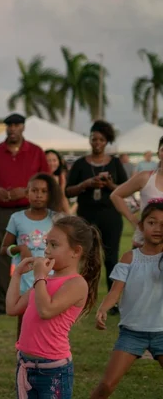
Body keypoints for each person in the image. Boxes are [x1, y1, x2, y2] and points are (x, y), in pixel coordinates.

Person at [3, 216, 102, 399]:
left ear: (76, 251)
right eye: (46, 243)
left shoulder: (76, 284)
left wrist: (39, 278)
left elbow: (46, 310)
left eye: (54, 244)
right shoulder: (42, 280)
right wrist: (17, 275)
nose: (46, 249)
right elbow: (12, 308)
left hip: (54, 372)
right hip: (26, 368)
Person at [73, 200, 163, 399]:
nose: (157, 228)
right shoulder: (129, 257)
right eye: (152, 222)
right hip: (132, 333)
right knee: (106, 385)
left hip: (161, 333)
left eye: (162, 224)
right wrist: (103, 308)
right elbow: (116, 291)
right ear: (141, 225)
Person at [0, 113, 50, 316]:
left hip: (31, 211)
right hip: (2, 210)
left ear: (23, 128)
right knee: (2, 255)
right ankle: (1, 305)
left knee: (38, 253)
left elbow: (46, 179)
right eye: (9, 125)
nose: (12, 129)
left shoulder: (35, 152)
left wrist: (27, 191)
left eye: (16, 125)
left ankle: (36, 298)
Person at [66, 121, 127, 286]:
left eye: (101, 139)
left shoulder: (114, 163)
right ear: (90, 140)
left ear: (106, 141)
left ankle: (112, 301)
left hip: (111, 216)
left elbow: (125, 189)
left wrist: (110, 185)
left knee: (111, 258)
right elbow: (68, 191)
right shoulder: (80, 164)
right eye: (94, 139)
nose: (97, 143)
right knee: (88, 258)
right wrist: (85, 184)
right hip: (87, 216)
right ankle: (83, 296)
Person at [1, 175, 63, 325]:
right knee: (24, 324)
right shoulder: (17, 218)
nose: (39, 195)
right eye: (34, 190)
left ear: (50, 194)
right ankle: (20, 349)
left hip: (49, 280)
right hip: (24, 282)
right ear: (26, 193)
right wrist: (20, 248)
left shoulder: (56, 218)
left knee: (47, 323)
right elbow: (3, 249)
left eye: (44, 191)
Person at [110, 135, 163, 247]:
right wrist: (135, 222)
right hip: (144, 243)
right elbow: (116, 195)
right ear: (158, 153)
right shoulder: (145, 177)